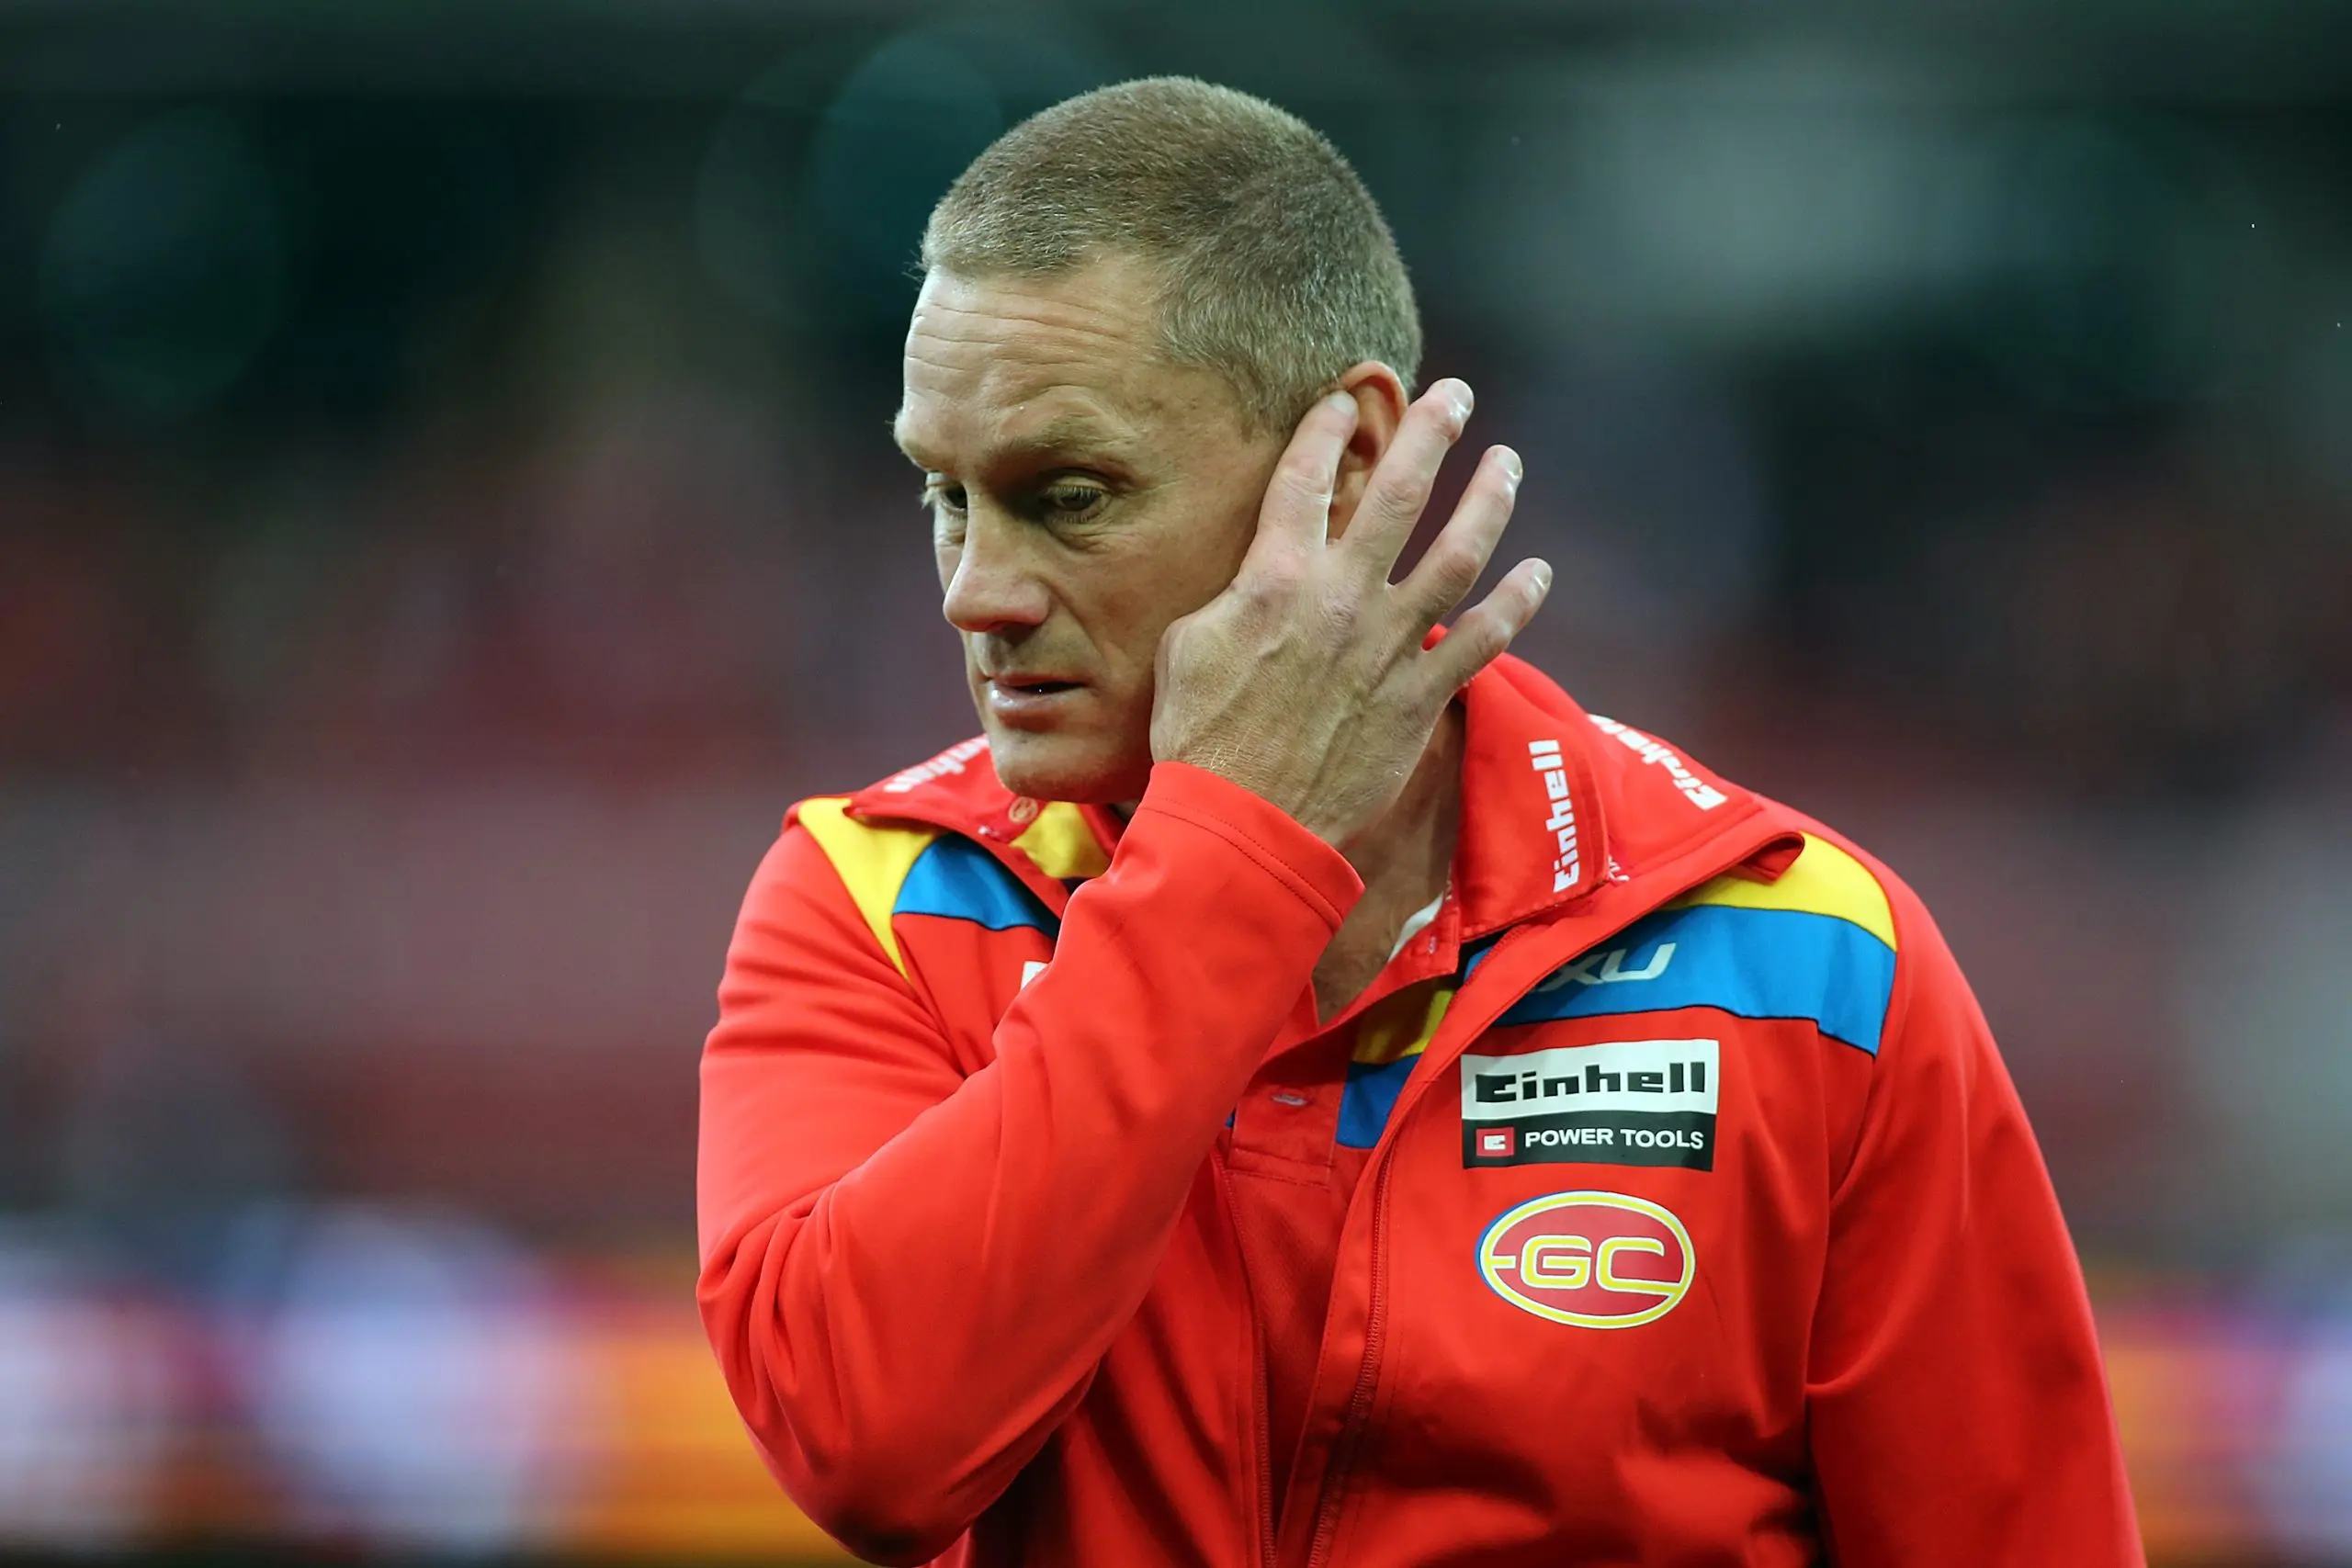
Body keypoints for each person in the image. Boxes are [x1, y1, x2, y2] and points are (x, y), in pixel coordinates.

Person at [696, 77, 2143, 1568]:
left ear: (1351, 464)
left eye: (1068, 496)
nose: (972, 592)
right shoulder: (875, 902)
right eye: (945, 496)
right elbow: (867, 1440)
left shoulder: (1811, 958)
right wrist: (1237, 838)